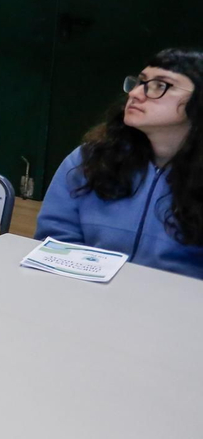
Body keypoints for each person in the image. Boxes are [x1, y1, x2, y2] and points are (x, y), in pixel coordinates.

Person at [35, 47, 203, 279]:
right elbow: (56, 239)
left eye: (161, 85)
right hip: (85, 296)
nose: (135, 93)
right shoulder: (90, 158)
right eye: (141, 82)